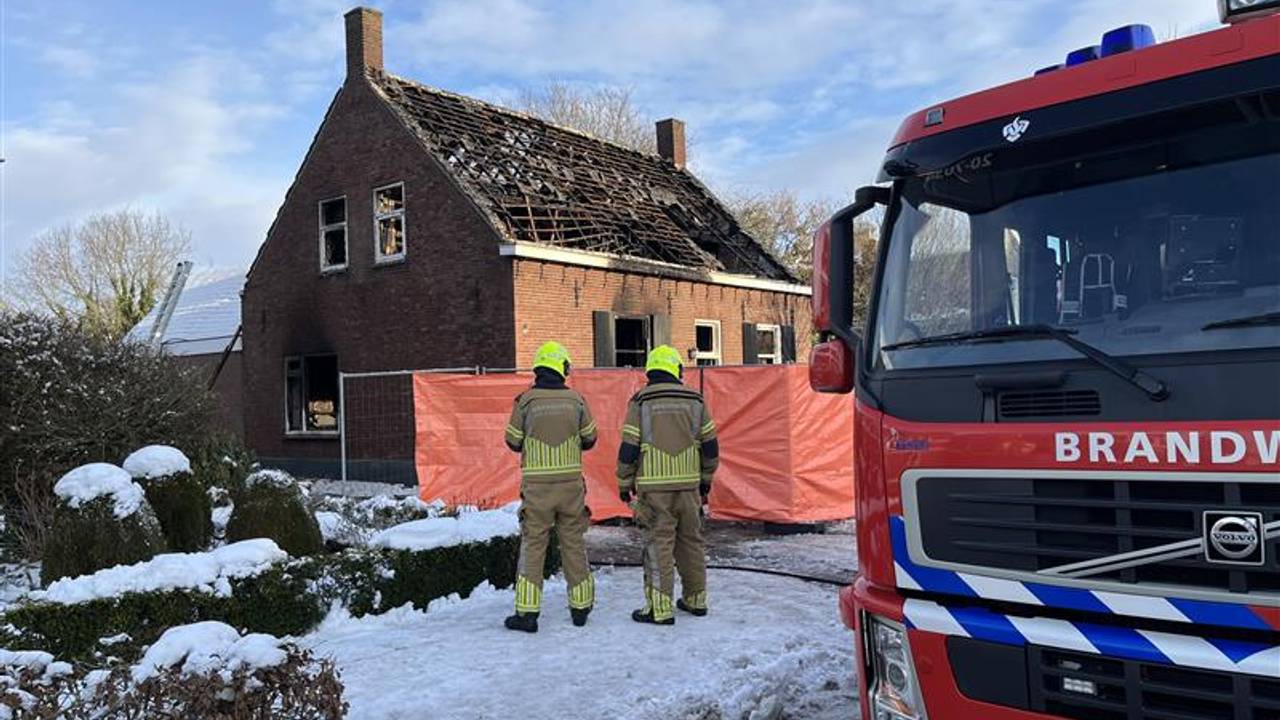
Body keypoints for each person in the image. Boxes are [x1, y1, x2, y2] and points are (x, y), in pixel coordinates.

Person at [616, 345, 719, 625]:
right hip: (689, 487)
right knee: (691, 543)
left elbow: (629, 447)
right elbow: (710, 446)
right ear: (676, 370)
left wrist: (624, 482)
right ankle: (696, 600)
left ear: (651, 371)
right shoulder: (695, 401)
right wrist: (705, 480)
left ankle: (659, 609)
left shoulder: (640, 402)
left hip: (653, 489)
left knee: (658, 544)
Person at [503, 341, 598, 633]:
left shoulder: (525, 401)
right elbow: (591, 439)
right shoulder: (577, 400)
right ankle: (580, 608)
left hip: (537, 488)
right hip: (570, 486)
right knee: (573, 543)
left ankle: (527, 614)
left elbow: (512, 440)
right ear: (562, 368)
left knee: (533, 546)